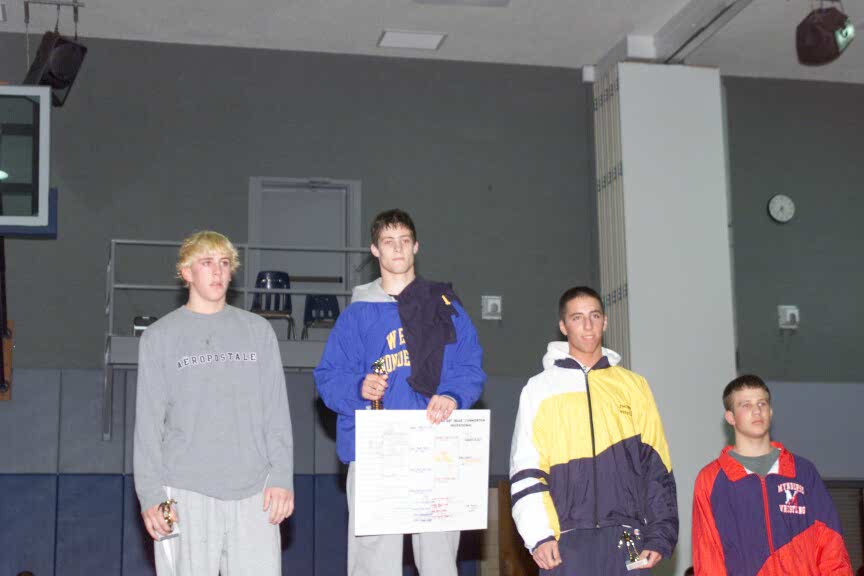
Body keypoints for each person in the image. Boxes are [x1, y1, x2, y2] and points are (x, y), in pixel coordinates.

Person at [314, 209, 486, 576]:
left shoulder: (445, 306)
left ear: (416, 247)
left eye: (404, 241)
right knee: (374, 564)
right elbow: (328, 377)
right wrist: (358, 387)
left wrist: (453, 396)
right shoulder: (357, 315)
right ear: (375, 250)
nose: (397, 249)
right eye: (389, 242)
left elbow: (470, 367)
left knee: (440, 562)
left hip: (436, 444)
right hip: (376, 449)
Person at [133, 230, 294, 575]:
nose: (218, 271)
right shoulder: (159, 337)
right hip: (183, 493)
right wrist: (150, 496)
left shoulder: (258, 331)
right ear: (186, 272)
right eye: (206, 263)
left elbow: (277, 413)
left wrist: (282, 476)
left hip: (256, 493)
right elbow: (148, 426)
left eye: (224, 263)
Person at [509, 286, 678, 574]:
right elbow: (526, 468)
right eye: (577, 318)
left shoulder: (634, 386)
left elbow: (657, 466)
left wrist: (660, 535)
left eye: (594, 316)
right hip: (565, 540)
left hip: (628, 537)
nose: (587, 326)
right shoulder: (539, 389)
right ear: (563, 326)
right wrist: (539, 535)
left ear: (605, 322)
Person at [692, 374, 853, 575]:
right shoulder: (712, 479)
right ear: (730, 417)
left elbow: (831, 545)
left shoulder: (803, 471)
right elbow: (708, 555)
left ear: (770, 411)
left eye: (762, 403)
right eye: (746, 405)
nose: (757, 410)